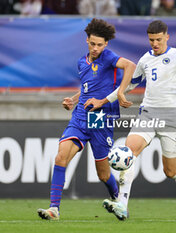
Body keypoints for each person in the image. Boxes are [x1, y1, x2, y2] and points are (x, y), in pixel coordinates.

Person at [85, 20, 176, 220]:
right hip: (148, 114)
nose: (154, 44)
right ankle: (122, 204)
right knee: (128, 154)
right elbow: (129, 86)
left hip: (172, 118)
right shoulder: (145, 60)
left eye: (158, 39)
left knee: (170, 171)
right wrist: (106, 100)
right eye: (151, 40)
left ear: (167, 37)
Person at [37, 18, 136, 220]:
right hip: (81, 116)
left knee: (103, 174)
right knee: (60, 157)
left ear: (106, 44)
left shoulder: (108, 57)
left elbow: (131, 66)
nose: (96, 48)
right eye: (92, 44)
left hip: (101, 117)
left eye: (100, 44)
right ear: (87, 40)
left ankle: (119, 201)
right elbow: (86, 88)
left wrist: (121, 93)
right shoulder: (82, 62)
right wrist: (73, 100)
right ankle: (54, 208)